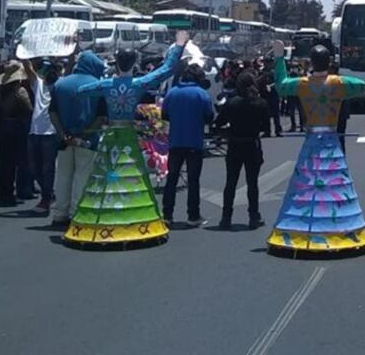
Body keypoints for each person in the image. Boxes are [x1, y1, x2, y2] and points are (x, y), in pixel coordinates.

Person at [64, 34, 186, 246]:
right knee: (132, 172)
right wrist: (179, 45)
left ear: (116, 63)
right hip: (128, 135)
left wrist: (72, 66)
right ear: (134, 63)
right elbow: (166, 69)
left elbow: (79, 92)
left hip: (111, 135)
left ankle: (101, 219)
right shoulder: (139, 83)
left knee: (105, 174)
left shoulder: (105, 85)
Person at [267, 40, 365, 254]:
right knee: (335, 183)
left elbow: (281, 85)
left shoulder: (303, 83)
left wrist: (279, 58)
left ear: (311, 62)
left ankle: (301, 229)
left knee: (306, 183)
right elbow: (361, 85)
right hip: (331, 138)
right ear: (329, 62)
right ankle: (339, 230)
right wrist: (338, 77)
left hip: (312, 139)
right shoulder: (338, 83)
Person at [48, 50, 107, 228]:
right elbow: (101, 117)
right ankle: (77, 213)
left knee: (63, 175)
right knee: (83, 175)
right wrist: (83, 135)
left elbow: (53, 112)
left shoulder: (60, 84)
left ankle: (60, 213)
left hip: (63, 139)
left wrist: (63, 134)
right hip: (87, 140)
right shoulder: (97, 85)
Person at [160, 62, 216, 226]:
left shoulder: (172, 92)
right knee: (193, 180)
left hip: (176, 141)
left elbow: (164, 115)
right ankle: (193, 215)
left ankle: (167, 214)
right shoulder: (201, 94)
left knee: (172, 179)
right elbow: (209, 117)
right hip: (194, 142)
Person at [216, 70, 267, 229]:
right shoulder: (260, 103)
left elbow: (219, 122)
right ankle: (253, 216)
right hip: (252, 144)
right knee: (252, 183)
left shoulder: (231, 103)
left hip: (235, 144)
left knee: (230, 182)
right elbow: (265, 127)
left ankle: (226, 218)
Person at [0, 62, 33, 206]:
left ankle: (2, 194)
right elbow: (28, 109)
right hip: (16, 127)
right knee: (14, 162)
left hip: (1, 127)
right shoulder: (20, 91)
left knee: (2, 162)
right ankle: (10, 194)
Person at [24, 60, 60, 214]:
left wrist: (72, 53)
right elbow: (27, 67)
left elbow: (70, 67)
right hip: (35, 131)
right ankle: (49, 193)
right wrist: (24, 52)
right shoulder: (38, 84)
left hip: (51, 133)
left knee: (48, 168)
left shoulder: (60, 86)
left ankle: (45, 200)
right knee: (33, 167)